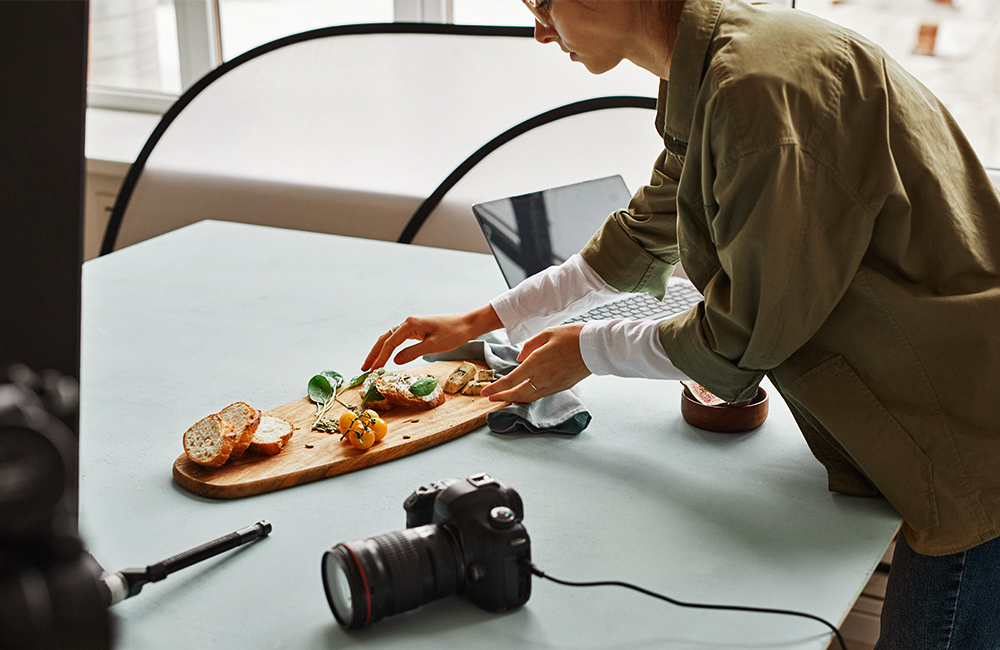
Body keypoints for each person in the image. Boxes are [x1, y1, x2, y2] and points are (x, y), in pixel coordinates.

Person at [363, 1, 1000, 647]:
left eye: (544, 4)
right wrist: (485, 318)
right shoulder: (720, 67)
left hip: (963, 432)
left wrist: (588, 348)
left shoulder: (758, 92)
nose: (540, 30)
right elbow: (643, 233)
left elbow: (742, 332)